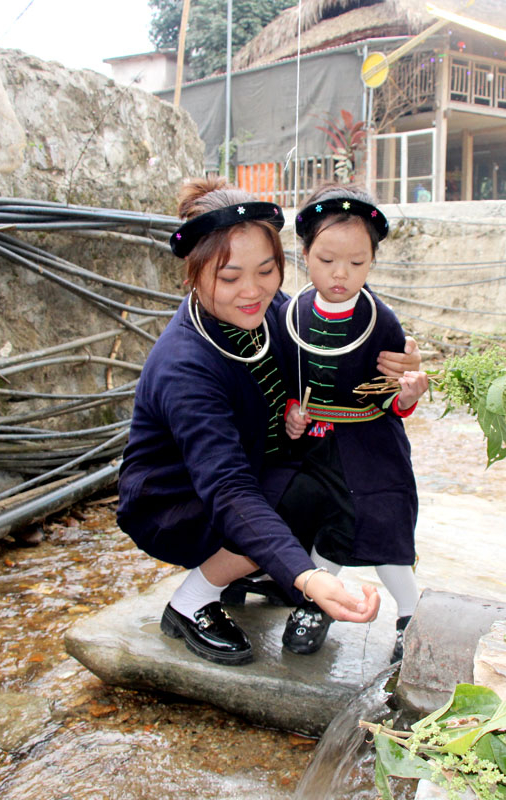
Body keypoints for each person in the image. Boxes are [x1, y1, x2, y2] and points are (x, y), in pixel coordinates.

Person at [115, 177, 420, 667]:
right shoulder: (184, 365)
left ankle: (252, 567)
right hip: (178, 497)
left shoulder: (274, 310)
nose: (252, 292)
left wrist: (396, 374)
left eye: (266, 270)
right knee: (300, 498)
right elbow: (230, 489)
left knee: (342, 472)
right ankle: (190, 603)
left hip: (254, 462)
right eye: (229, 277)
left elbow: (334, 365)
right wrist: (307, 577)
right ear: (193, 275)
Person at [276, 183, 429, 662]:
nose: (341, 274)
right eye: (326, 261)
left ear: (372, 261)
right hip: (318, 445)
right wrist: (291, 416)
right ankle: (315, 602)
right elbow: (282, 381)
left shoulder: (380, 322)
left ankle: (413, 614)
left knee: (383, 524)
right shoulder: (292, 314)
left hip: (372, 444)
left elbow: (392, 394)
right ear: (303, 254)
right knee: (327, 525)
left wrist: (406, 395)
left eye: (357, 263)